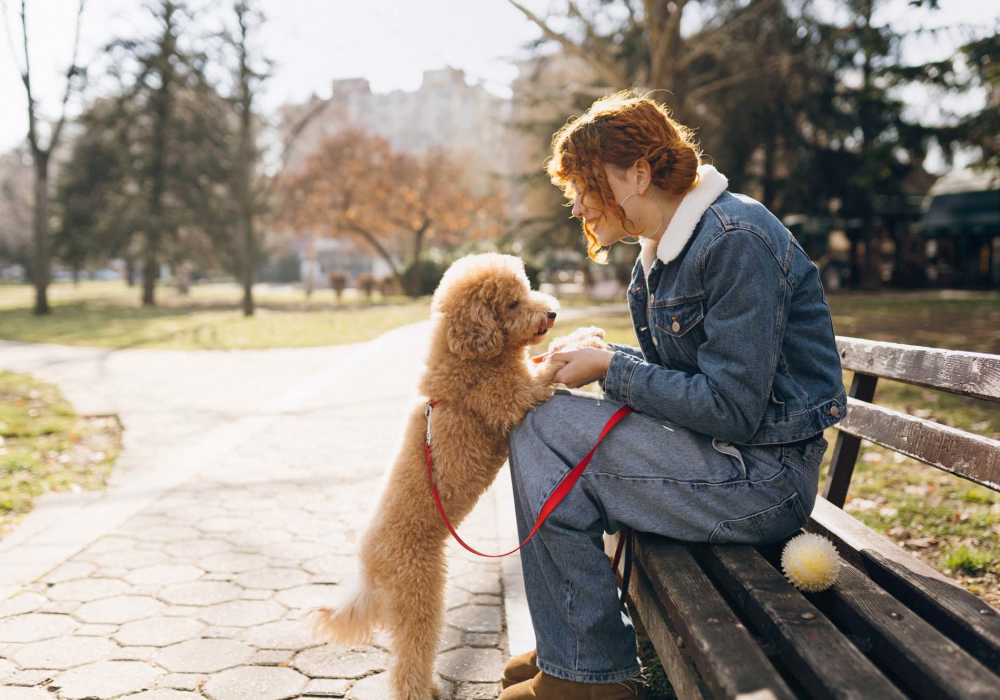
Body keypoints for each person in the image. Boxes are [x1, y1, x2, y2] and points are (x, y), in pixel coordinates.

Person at [499, 91, 847, 700]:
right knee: (543, 418)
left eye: (585, 183)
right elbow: (684, 391)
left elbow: (732, 409)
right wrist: (599, 360)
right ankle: (576, 647)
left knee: (545, 432)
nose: (576, 203)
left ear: (638, 173)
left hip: (763, 480)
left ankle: (583, 668)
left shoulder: (737, 239)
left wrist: (613, 368)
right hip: (718, 457)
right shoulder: (658, 256)